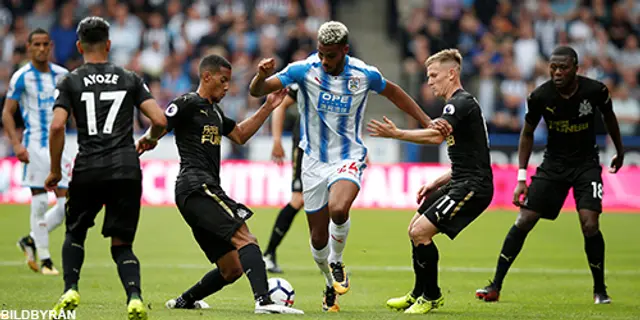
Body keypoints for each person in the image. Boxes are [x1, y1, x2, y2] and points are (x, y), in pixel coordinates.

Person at [249, 21, 441, 312]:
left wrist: (427, 121)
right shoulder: (303, 70)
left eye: (331, 55)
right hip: (312, 161)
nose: (325, 61)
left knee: (338, 209)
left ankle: (337, 260)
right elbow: (258, 91)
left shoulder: (364, 75)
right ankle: (329, 283)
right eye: (321, 54)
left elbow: (395, 93)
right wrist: (259, 76)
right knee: (316, 239)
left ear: (345, 50)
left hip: (348, 156)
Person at [137, 54, 303, 314]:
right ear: (207, 77)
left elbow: (240, 135)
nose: (227, 86)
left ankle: (184, 301)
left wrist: (269, 106)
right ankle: (264, 301)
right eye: (223, 80)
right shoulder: (188, 103)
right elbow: (162, 122)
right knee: (246, 237)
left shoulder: (214, 111)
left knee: (232, 267)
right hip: (197, 186)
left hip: (197, 192)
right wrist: (149, 138)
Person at [475, 46, 624, 305]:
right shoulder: (540, 96)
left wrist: (619, 151)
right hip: (553, 166)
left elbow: (610, 118)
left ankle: (600, 290)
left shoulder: (595, 91)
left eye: (563, 67)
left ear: (576, 68)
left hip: (586, 164)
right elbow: (527, 133)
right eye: (553, 67)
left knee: (589, 223)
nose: (557, 72)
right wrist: (522, 177)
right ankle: (495, 285)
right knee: (524, 219)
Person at [45, 17, 167, 320]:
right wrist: (150, 139)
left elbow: (57, 125)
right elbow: (161, 121)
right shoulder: (130, 78)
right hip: (126, 168)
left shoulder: (70, 81)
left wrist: (55, 171)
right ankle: (135, 298)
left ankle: (70, 289)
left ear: (79, 46)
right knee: (122, 245)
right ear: (109, 44)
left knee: (75, 233)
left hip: (88, 167)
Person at [368, 48, 494, 314]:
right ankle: (418, 293)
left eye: (434, 75)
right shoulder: (460, 106)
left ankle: (432, 296)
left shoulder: (458, 103)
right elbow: (471, 157)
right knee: (414, 228)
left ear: (452, 73)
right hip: (461, 180)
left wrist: (396, 133)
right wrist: (438, 182)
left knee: (420, 232)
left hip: (474, 187)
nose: (430, 81)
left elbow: (436, 137)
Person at [2, 28, 70, 275]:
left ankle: (30, 239)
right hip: (34, 145)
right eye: (36, 45)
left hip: (60, 147)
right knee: (40, 201)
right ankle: (45, 259)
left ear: (50, 46)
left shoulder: (63, 76)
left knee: (66, 207)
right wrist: (16, 144)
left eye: (45, 44)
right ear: (29, 47)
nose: (41, 49)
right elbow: (7, 112)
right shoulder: (21, 77)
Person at [263, 84, 303, 274]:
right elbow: (280, 106)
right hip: (306, 147)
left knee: (330, 201)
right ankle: (269, 253)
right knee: (299, 199)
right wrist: (277, 140)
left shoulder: (345, 78)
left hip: (333, 150)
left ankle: (332, 261)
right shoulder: (307, 74)